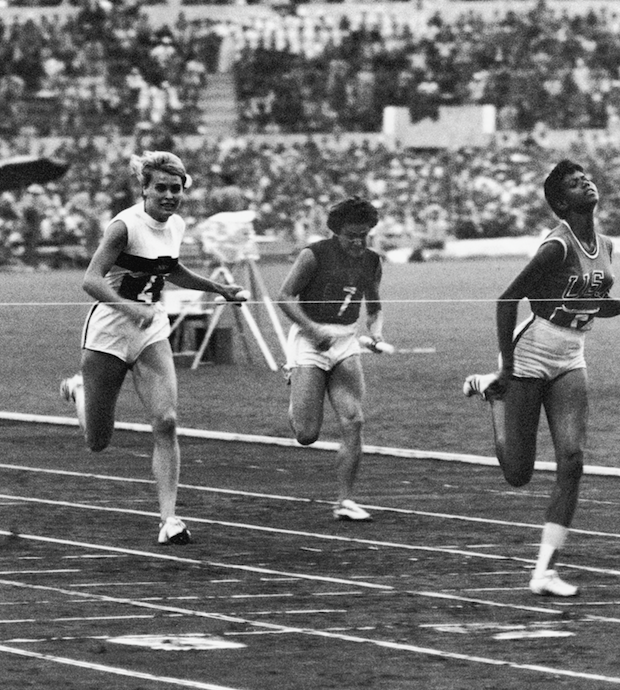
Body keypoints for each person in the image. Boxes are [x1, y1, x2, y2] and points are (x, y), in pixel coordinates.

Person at [463, 159, 620, 596]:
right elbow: (507, 299)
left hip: (572, 355)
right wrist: (507, 370)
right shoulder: (557, 246)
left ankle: (544, 571)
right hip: (530, 353)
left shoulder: (606, 244)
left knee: (572, 460)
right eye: (574, 183)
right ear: (560, 203)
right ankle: (494, 394)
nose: (586, 182)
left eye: (585, 177)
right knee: (518, 473)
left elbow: (595, 304)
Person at [59, 151, 248, 545]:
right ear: (144, 189)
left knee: (166, 421)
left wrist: (219, 288)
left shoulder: (176, 225)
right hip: (110, 331)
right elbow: (91, 280)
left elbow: (171, 268)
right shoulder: (124, 226)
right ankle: (78, 389)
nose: (168, 195)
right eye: (160, 188)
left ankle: (169, 520)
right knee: (98, 441)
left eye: (175, 189)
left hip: (151, 330)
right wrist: (129, 308)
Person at [277, 196, 384, 521]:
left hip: (346, 340)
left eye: (363, 235)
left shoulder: (372, 261)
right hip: (310, 339)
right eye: (351, 235)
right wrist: (311, 329)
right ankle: (296, 377)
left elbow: (374, 307)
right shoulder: (314, 255)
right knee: (307, 434)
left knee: (354, 420)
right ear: (336, 232)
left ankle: (345, 501)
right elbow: (284, 297)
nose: (357, 241)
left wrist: (377, 334)